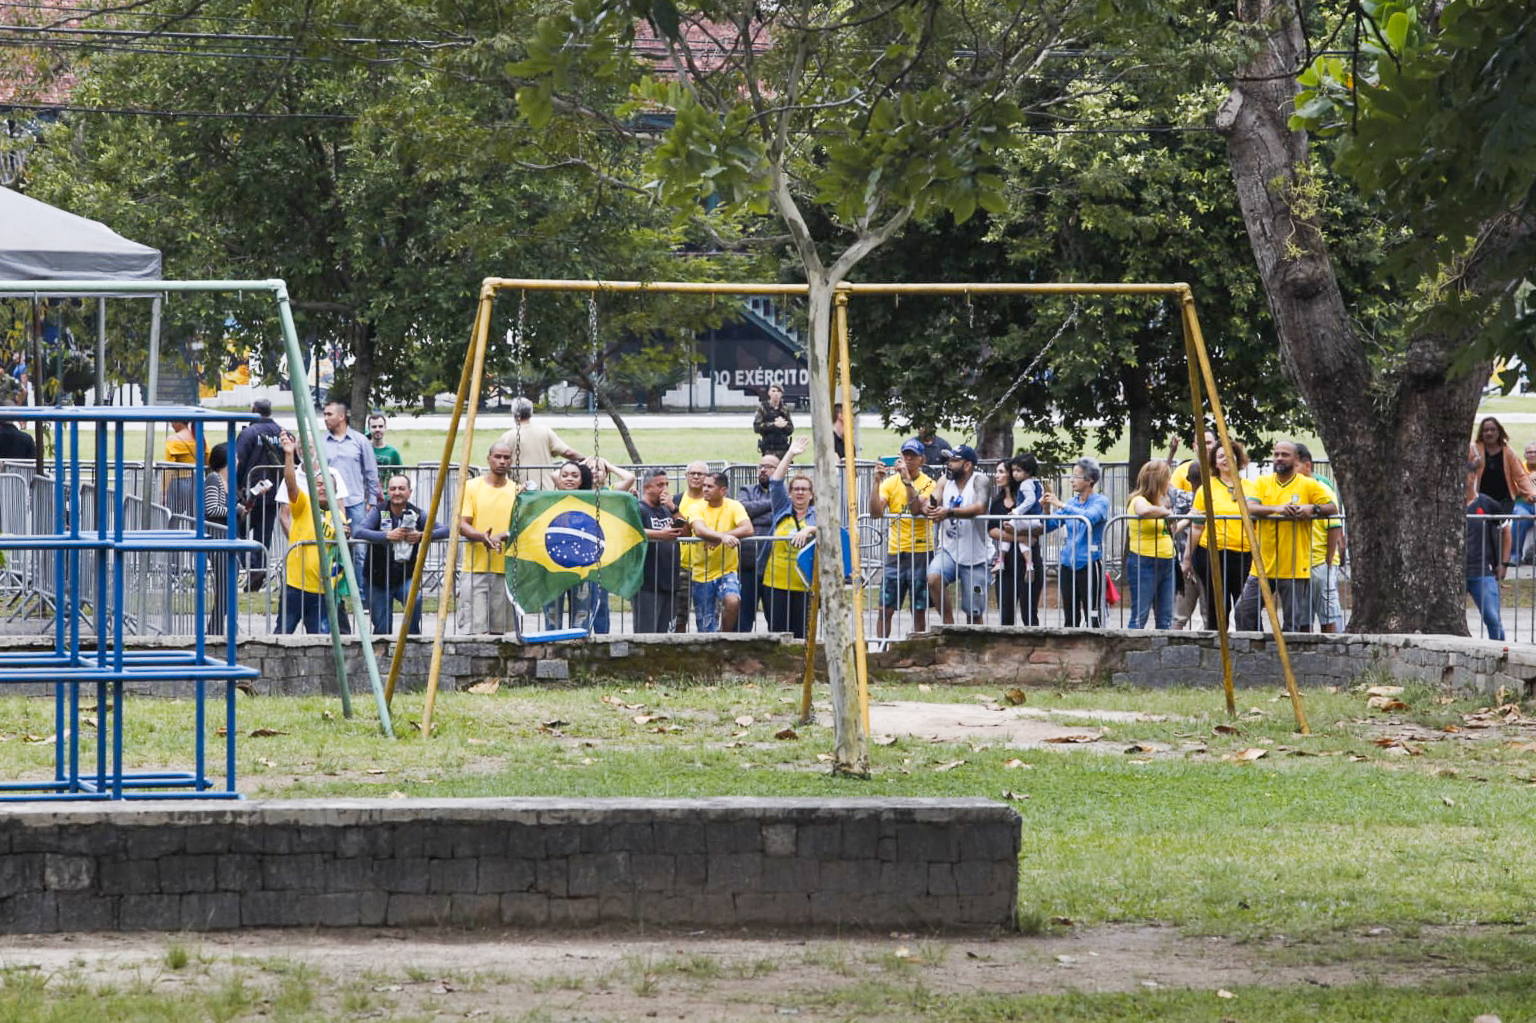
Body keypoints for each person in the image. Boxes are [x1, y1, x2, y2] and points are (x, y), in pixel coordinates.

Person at [1234, 440, 1338, 633]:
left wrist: (1312, 508)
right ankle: (1256, 651)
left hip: (1294, 567)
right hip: (1263, 565)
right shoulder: (1262, 482)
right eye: (1276, 454)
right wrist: (1277, 509)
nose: (1279, 458)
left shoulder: (1308, 485)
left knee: (1293, 624)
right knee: (1243, 611)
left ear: (1296, 459)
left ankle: (1291, 660)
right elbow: (1248, 507)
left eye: (1285, 454)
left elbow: (1332, 507)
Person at [277, 432, 351, 635]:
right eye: (316, 485)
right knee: (283, 631)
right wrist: (289, 455)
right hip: (296, 584)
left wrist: (346, 535)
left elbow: (342, 550)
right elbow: (291, 485)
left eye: (324, 485)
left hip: (323, 589)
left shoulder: (339, 518)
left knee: (319, 636)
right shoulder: (305, 504)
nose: (320, 488)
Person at [355, 474, 448, 635]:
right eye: (393, 488)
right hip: (376, 579)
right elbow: (359, 532)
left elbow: (445, 530)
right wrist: (386, 536)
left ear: (409, 492)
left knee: (415, 600)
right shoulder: (379, 511)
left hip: (404, 576)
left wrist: (422, 535)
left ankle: (411, 639)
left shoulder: (417, 513)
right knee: (382, 628)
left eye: (401, 488)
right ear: (387, 492)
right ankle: (382, 655)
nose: (397, 492)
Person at [1182, 442, 1252, 630]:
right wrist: (1187, 558)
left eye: (1230, 455)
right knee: (1217, 606)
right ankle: (1217, 648)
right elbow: (1197, 527)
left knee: (1245, 606)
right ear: (1215, 462)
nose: (1226, 459)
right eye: (1221, 456)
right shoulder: (1206, 488)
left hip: (1244, 554)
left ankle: (1247, 647)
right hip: (1212, 555)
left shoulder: (1251, 488)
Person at [870, 439, 936, 638]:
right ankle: (882, 648)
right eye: (905, 455)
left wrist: (907, 482)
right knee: (885, 608)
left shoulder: (929, 483)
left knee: (918, 608)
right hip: (895, 552)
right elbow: (875, 513)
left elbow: (917, 509)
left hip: (921, 552)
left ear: (921, 459)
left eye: (913, 456)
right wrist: (876, 482)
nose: (908, 459)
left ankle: (917, 647)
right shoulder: (890, 483)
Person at [925, 444, 993, 626]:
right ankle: (949, 625)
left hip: (976, 555)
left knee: (974, 613)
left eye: (954, 460)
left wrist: (949, 512)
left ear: (967, 465)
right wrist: (929, 506)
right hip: (949, 550)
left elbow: (980, 507)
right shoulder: (944, 481)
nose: (949, 464)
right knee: (933, 578)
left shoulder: (980, 481)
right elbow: (932, 500)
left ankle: (976, 648)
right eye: (949, 460)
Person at [456, 441, 519, 634]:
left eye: (506, 457)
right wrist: (482, 537)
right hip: (475, 567)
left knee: (501, 633)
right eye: (497, 457)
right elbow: (462, 523)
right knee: (474, 630)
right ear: (488, 458)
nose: (501, 461)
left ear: (511, 461)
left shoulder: (517, 491)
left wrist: (505, 535)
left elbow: (522, 526)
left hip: (505, 569)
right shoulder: (471, 487)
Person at [1043, 457, 1110, 628]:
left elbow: (1089, 517)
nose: (1071, 480)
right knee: (1070, 615)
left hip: (1090, 563)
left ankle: (1096, 648)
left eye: (1076, 476)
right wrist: (1046, 507)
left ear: (1090, 480)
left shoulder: (1101, 501)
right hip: (1068, 565)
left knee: (1093, 614)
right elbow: (1049, 525)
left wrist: (1061, 505)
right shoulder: (1071, 503)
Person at [761, 435, 816, 638]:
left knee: (802, 634)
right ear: (790, 492)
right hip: (776, 582)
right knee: (778, 633)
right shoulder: (782, 508)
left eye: (804, 489)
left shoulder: (816, 515)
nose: (800, 493)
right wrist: (790, 453)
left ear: (811, 494)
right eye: (796, 489)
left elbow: (829, 530)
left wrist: (809, 530)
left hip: (803, 583)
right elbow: (775, 481)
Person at [684, 471, 753, 632]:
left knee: (732, 601)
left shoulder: (734, 505)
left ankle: (725, 637)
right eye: (704, 486)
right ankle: (710, 648)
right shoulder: (696, 507)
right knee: (706, 625)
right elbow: (699, 530)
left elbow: (748, 528)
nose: (705, 489)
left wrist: (719, 538)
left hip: (727, 570)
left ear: (723, 490)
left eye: (709, 486)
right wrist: (722, 537)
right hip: (702, 573)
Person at [541, 459, 602, 633]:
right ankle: (552, 651)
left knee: (581, 617)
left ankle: (579, 654)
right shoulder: (548, 501)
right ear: (558, 479)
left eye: (575, 476)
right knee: (552, 619)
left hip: (581, 568)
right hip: (552, 568)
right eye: (565, 475)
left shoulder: (590, 501)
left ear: (582, 480)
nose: (569, 479)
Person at [321, 401, 379, 580]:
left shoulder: (360, 440)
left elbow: (371, 471)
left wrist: (372, 502)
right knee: (330, 550)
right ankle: (334, 594)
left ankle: (360, 595)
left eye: (329, 414)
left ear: (341, 416)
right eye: (324, 414)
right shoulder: (320, 440)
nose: (325, 418)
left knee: (359, 550)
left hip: (355, 503)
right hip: (328, 505)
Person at [235, 399, 284, 588]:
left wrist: (236, 490)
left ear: (254, 410)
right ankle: (258, 571)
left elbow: (238, 461)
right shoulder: (282, 432)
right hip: (274, 494)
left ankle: (247, 568)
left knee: (236, 532)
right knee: (264, 537)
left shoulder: (249, 432)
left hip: (250, 494)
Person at [1296, 444, 1346, 633]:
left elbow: (1334, 524)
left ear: (1307, 465)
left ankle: (1334, 653)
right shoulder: (1292, 486)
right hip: (1300, 561)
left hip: (1320, 560)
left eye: (1295, 466)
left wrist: (1329, 559)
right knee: (1302, 617)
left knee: (1328, 614)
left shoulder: (1322, 485)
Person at [1124, 459, 1177, 629]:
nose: (1169, 483)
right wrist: (1166, 512)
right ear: (1158, 481)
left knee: (1166, 618)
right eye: (1167, 479)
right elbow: (1143, 511)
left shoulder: (1158, 504)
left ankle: (1164, 654)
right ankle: (1132, 653)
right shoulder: (1138, 500)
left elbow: (1169, 531)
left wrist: (1190, 518)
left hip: (1167, 561)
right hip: (1144, 562)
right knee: (1140, 616)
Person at [497, 397, 584, 489]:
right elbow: (567, 452)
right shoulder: (544, 431)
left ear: (514, 414)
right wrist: (584, 458)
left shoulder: (506, 437)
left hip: (519, 489)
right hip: (545, 488)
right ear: (531, 413)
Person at [734, 453, 778, 633]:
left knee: (775, 618)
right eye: (761, 466)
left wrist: (754, 517)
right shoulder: (746, 490)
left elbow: (781, 516)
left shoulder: (784, 492)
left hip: (773, 566)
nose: (762, 470)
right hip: (748, 563)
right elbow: (743, 510)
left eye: (768, 467)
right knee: (743, 618)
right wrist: (773, 503)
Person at [635, 468, 683, 633]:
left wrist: (674, 509)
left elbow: (686, 532)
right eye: (660, 485)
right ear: (647, 487)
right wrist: (660, 535)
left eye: (667, 484)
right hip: (648, 584)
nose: (665, 489)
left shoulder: (666, 509)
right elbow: (633, 531)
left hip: (670, 581)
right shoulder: (638, 508)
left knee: (666, 636)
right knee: (646, 635)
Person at [203, 442, 243, 636]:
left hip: (227, 539)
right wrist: (236, 510)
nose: (238, 460)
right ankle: (215, 629)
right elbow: (211, 509)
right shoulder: (214, 479)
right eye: (234, 457)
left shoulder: (229, 482)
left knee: (229, 587)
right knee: (225, 587)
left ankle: (218, 627)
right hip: (217, 539)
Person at [673, 460, 711, 632]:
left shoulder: (713, 501)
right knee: (679, 617)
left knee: (707, 617)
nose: (696, 477)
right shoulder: (677, 500)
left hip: (707, 567)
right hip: (681, 566)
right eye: (692, 473)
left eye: (700, 474)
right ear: (686, 476)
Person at [1466, 493, 1509, 641]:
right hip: (1452, 573)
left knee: (1493, 618)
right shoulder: (1445, 502)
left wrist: (1504, 562)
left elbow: (1506, 530)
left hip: (1482, 570)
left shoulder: (1487, 503)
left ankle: (1500, 655)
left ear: (1473, 476)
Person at [1171, 457, 1207, 630]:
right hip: (1201, 560)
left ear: (1188, 480)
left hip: (1190, 560)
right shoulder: (1211, 500)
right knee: (1209, 616)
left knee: (1179, 616)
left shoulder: (1181, 499)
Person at [367, 413, 403, 501]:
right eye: (374, 427)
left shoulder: (393, 452)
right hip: (367, 497)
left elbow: (399, 476)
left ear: (385, 428)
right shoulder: (364, 450)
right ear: (369, 429)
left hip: (387, 499)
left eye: (380, 426)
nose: (377, 429)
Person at [752, 384, 794, 458]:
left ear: (781, 394)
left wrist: (784, 425)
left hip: (783, 449)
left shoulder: (784, 409)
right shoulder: (763, 408)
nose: (776, 393)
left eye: (778, 391)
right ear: (769, 393)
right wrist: (773, 425)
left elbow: (791, 429)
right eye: (773, 391)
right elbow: (757, 427)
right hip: (768, 449)